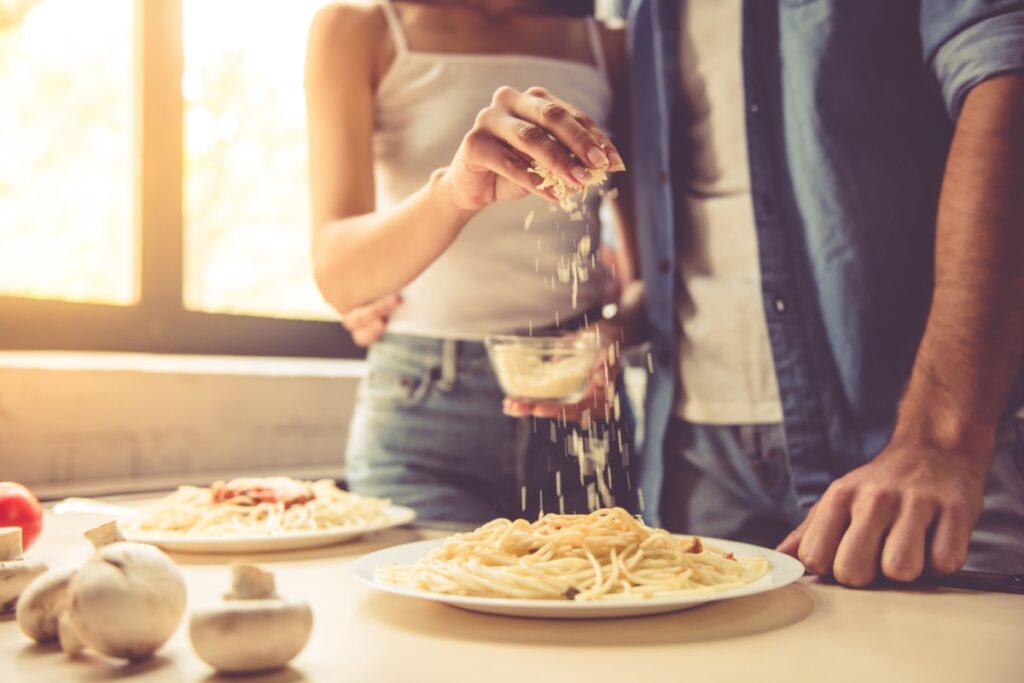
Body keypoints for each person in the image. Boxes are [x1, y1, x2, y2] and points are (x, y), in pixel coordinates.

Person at [345, 0, 1024, 587]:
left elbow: (1003, 70)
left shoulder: (599, 36)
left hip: (884, 436)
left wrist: (942, 432)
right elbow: (673, 255)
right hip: (684, 452)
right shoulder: (626, 14)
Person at [304, 0, 638, 524]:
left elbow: (654, 280)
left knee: (607, 592)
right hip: (422, 410)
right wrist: (456, 194)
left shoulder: (611, 43)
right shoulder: (358, 27)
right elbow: (337, 273)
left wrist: (613, 333)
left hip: (582, 411)